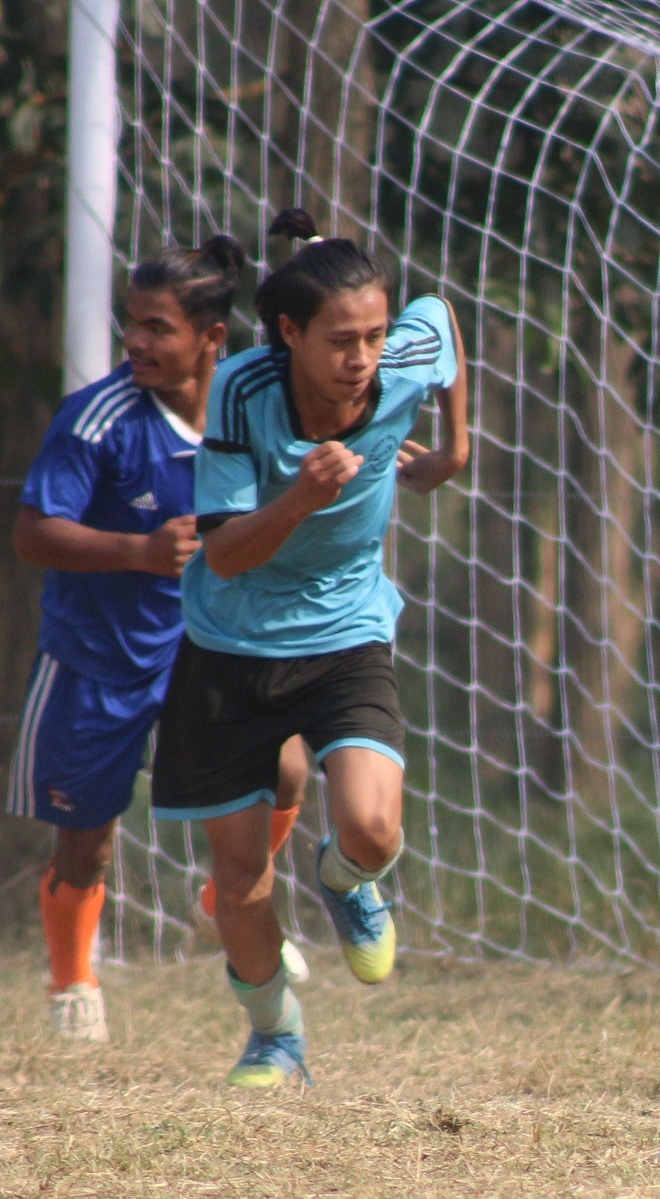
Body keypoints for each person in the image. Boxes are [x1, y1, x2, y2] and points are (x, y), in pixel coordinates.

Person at [151, 208, 468, 1088]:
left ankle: (346, 878)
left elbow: (440, 321)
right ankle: (274, 1036)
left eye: (372, 334)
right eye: (339, 340)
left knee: (371, 826)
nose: (361, 357)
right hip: (230, 645)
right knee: (242, 874)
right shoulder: (242, 393)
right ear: (288, 334)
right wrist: (302, 496)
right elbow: (223, 550)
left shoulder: (400, 354)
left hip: (345, 633)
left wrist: (453, 451)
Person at [9, 235, 313, 1045]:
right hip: (95, 662)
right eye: (132, 325)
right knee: (87, 844)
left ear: (212, 338)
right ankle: (73, 985)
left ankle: (225, 903)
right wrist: (137, 552)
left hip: (203, 649)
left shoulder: (254, 407)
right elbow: (34, 533)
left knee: (286, 766)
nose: (136, 343)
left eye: (157, 328)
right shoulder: (99, 419)